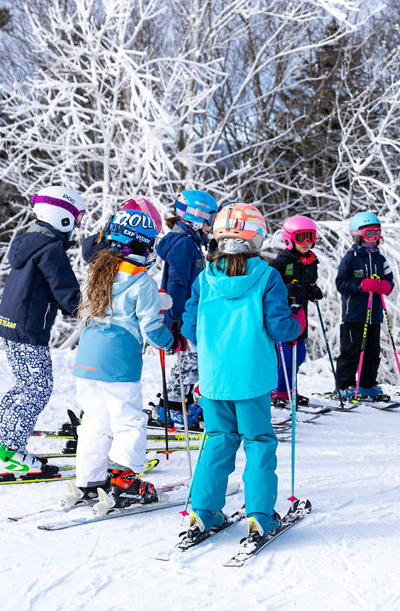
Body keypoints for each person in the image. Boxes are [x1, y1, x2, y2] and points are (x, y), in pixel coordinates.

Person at [180, 203, 304, 541]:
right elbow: (280, 328)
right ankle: (260, 515)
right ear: (257, 237)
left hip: (214, 379)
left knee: (218, 441)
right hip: (251, 379)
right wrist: (297, 323)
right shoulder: (267, 276)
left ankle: (203, 511)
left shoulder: (205, 278)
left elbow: (190, 328)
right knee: (259, 442)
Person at [65, 208, 176, 508]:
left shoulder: (98, 272)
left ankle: (89, 481)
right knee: (129, 421)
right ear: (140, 246)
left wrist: (159, 300)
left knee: (95, 422)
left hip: (86, 362)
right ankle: (122, 481)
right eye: (149, 244)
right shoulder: (143, 282)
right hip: (118, 364)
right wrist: (171, 340)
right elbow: (152, 330)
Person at [0, 185, 86, 474]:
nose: (76, 227)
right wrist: (93, 312)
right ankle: (9, 451)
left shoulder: (30, 243)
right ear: (62, 218)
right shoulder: (51, 250)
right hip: (28, 329)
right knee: (37, 389)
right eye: (75, 220)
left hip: (12, 326)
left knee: (24, 386)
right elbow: (66, 292)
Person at [155, 189, 218, 425]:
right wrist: (175, 319)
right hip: (183, 316)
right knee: (190, 362)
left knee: (192, 361)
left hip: (191, 314)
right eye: (210, 218)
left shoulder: (191, 242)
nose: (211, 224)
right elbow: (176, 283)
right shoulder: (183, 244)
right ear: (196, 216)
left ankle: (179, 403)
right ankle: (171, 407)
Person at [334, 211, 395, 400]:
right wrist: (360, 285)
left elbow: (389, 279)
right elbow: (340, 283)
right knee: (352, 351)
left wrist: (385, 286)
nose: (374, 238)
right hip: (354, 315)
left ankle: (368, 383)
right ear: (358, 235)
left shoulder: (380, 259)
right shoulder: (351, 258)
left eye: (377, 233)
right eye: (370, 234)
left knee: (372, 352)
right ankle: (345, 385)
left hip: (374, 315)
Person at [268, 215, 323, 407]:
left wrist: (313, 291)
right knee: (284, 356)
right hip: (282, 317)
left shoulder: (311, 262)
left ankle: (289, 389)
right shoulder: (281, 262)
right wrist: (285, 288)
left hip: (301, 317)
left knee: (298, 356)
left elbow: (309, 284)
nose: (306, 242)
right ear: (289, 239)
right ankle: (278, 390)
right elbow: (267, 287)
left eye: (310, 237)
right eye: (301, 238)